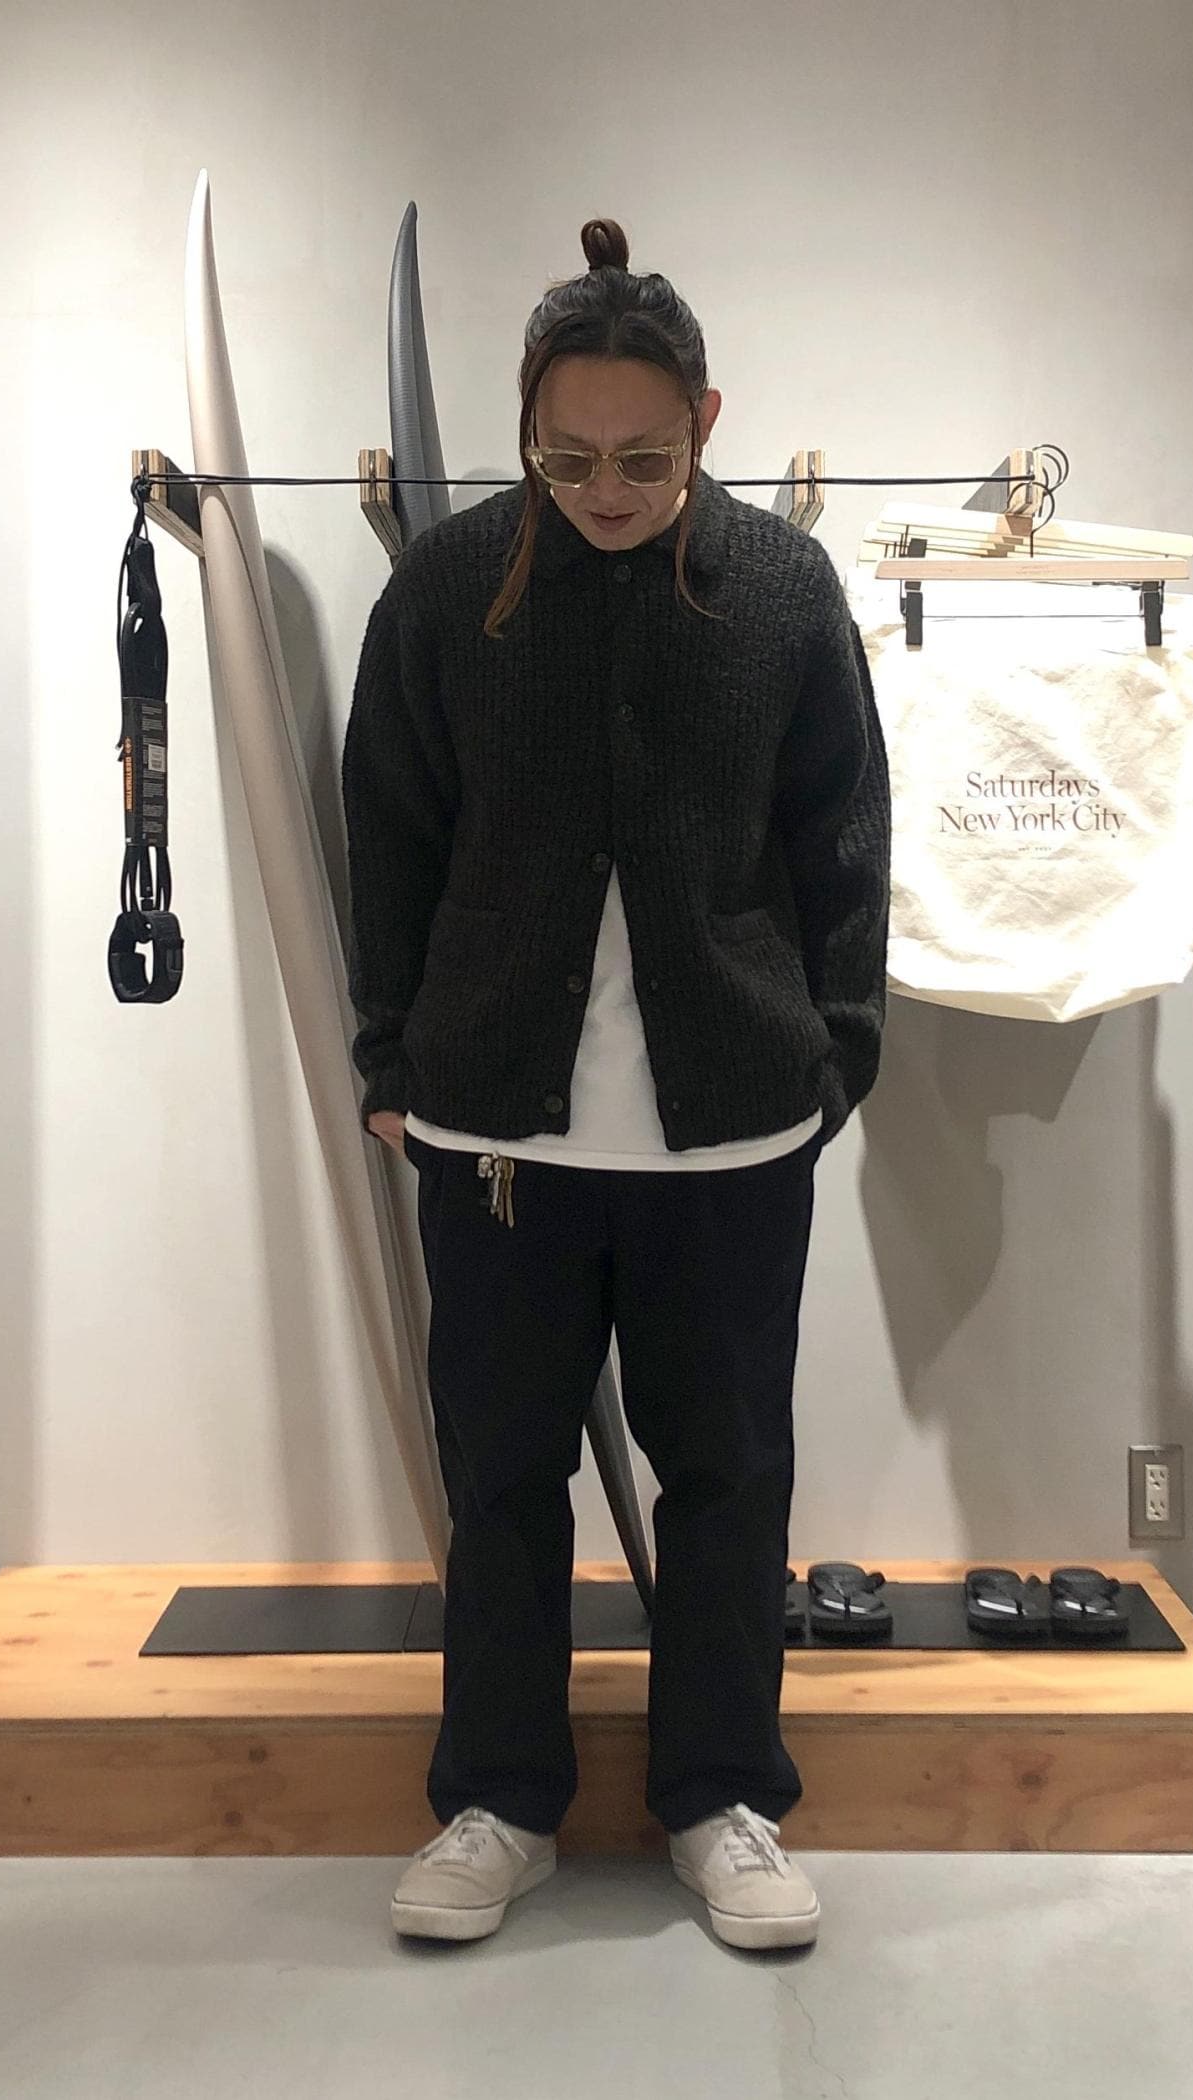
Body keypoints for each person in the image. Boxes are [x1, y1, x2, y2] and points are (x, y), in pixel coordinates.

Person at [341, 216, 890, 1951]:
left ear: (707, 421)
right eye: (566, 458)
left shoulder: (782, 592)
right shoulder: (447, 589)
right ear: (526, 427)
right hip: (493, 1134)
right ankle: (497, 1803)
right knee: (502, 1483)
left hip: (729, 1137)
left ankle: (722, 1798)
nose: (605, 489)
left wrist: (836, 1052)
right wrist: (387, 1059)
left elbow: (844, 836)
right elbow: (387, 838)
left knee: (728, 1482)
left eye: (644, 458)